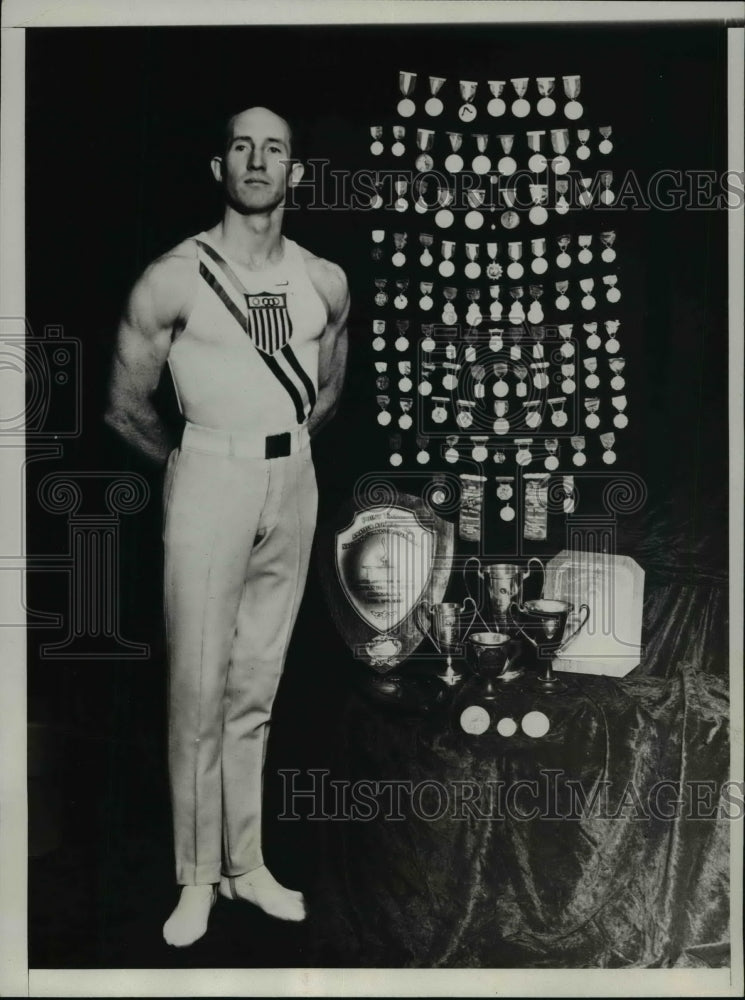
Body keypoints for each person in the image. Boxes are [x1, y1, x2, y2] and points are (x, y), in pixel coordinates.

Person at [105, 106, 349, 947]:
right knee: (198, 696)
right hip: (207, 475)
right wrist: (204, 468)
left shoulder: (324, 281)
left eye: (274, 147)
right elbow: (127, 410)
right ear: (219, 168)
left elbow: (325, 396)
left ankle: (246, 866)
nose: (256, 159)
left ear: (296, 173)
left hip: (293, 479)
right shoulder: (171, 277)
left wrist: (273, 462)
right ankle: (197, 880)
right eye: (241, 146)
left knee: (254, 690)